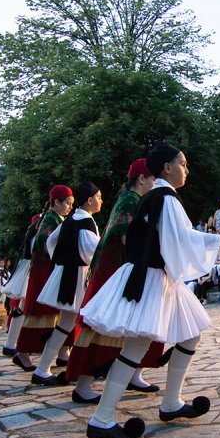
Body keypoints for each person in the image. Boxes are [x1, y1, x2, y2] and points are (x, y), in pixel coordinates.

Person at [80, 143, 220, 438]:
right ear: (167, 167)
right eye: (182, 163)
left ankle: (171, 403)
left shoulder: (155, 196)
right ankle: (102, 418)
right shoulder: (165, 197)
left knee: (190, 333)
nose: (186, 168)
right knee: (135, 347)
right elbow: (182, 239)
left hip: (154, 276)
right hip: (152, 277)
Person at [65, 159, 164, 402]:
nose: (154, 183)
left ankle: (132, 374)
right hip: (113, 272)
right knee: (100, 328)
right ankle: (83, 386)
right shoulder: (130, 201)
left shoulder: (135, 201)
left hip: (124, 270)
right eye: (152, 179)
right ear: (141, 179)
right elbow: (124, 238)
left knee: (137, 325)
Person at [31, 182, 103, 385]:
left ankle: (44, 368)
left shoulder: (70, 219)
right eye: (98, 197)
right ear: (89, 200)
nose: (101, 201)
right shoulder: (86, 221)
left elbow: (50, 241)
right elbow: (93, 252)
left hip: (66, 274)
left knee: (66, 324)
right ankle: (77, 368)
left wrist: (60, 260)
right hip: (78, 276)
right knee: (79, 323)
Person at [14, 185, 74, 371]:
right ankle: (22, 353)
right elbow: (47, 248)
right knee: (40, 316)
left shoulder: (56, 220)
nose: (70, 207)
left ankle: (64, 352)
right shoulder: (49, 221)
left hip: (51, 271)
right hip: (44, 273)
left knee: (61, 315)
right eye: (67, 203)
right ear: (56, 202)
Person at [1, 198, 47, 358]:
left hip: (28, 265)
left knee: (23, 308)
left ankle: (12, 343)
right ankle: (12, 343)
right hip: (31, 266)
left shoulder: (38, 221)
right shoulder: (42, 222)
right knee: (23, 308)